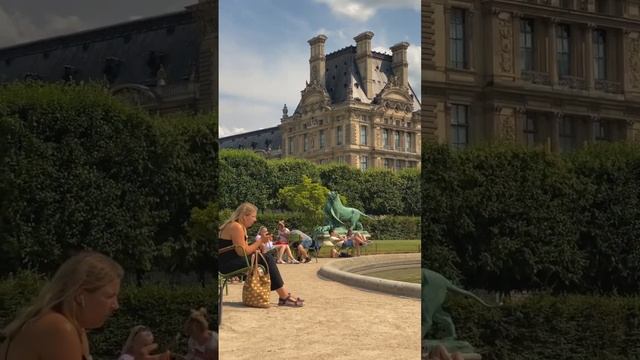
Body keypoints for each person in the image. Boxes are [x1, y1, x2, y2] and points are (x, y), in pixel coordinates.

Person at [0, 251, 170, 360]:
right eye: (109, 296)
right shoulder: (60, 328)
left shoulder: (66, 326)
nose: (116, 305)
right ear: (81, 295)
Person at [218, 203, 304, 307]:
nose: (255, 219)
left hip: (231, 261)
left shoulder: (240, 226)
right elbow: (242, 252)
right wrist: (260, 242)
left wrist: (257, 247)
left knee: (265, 257)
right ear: (245, 216)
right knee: (267, 258)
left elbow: (243, 250)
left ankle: (284, 296)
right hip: (227, 265)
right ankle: (284, 296)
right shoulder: (236, 227)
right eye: (253, 216)